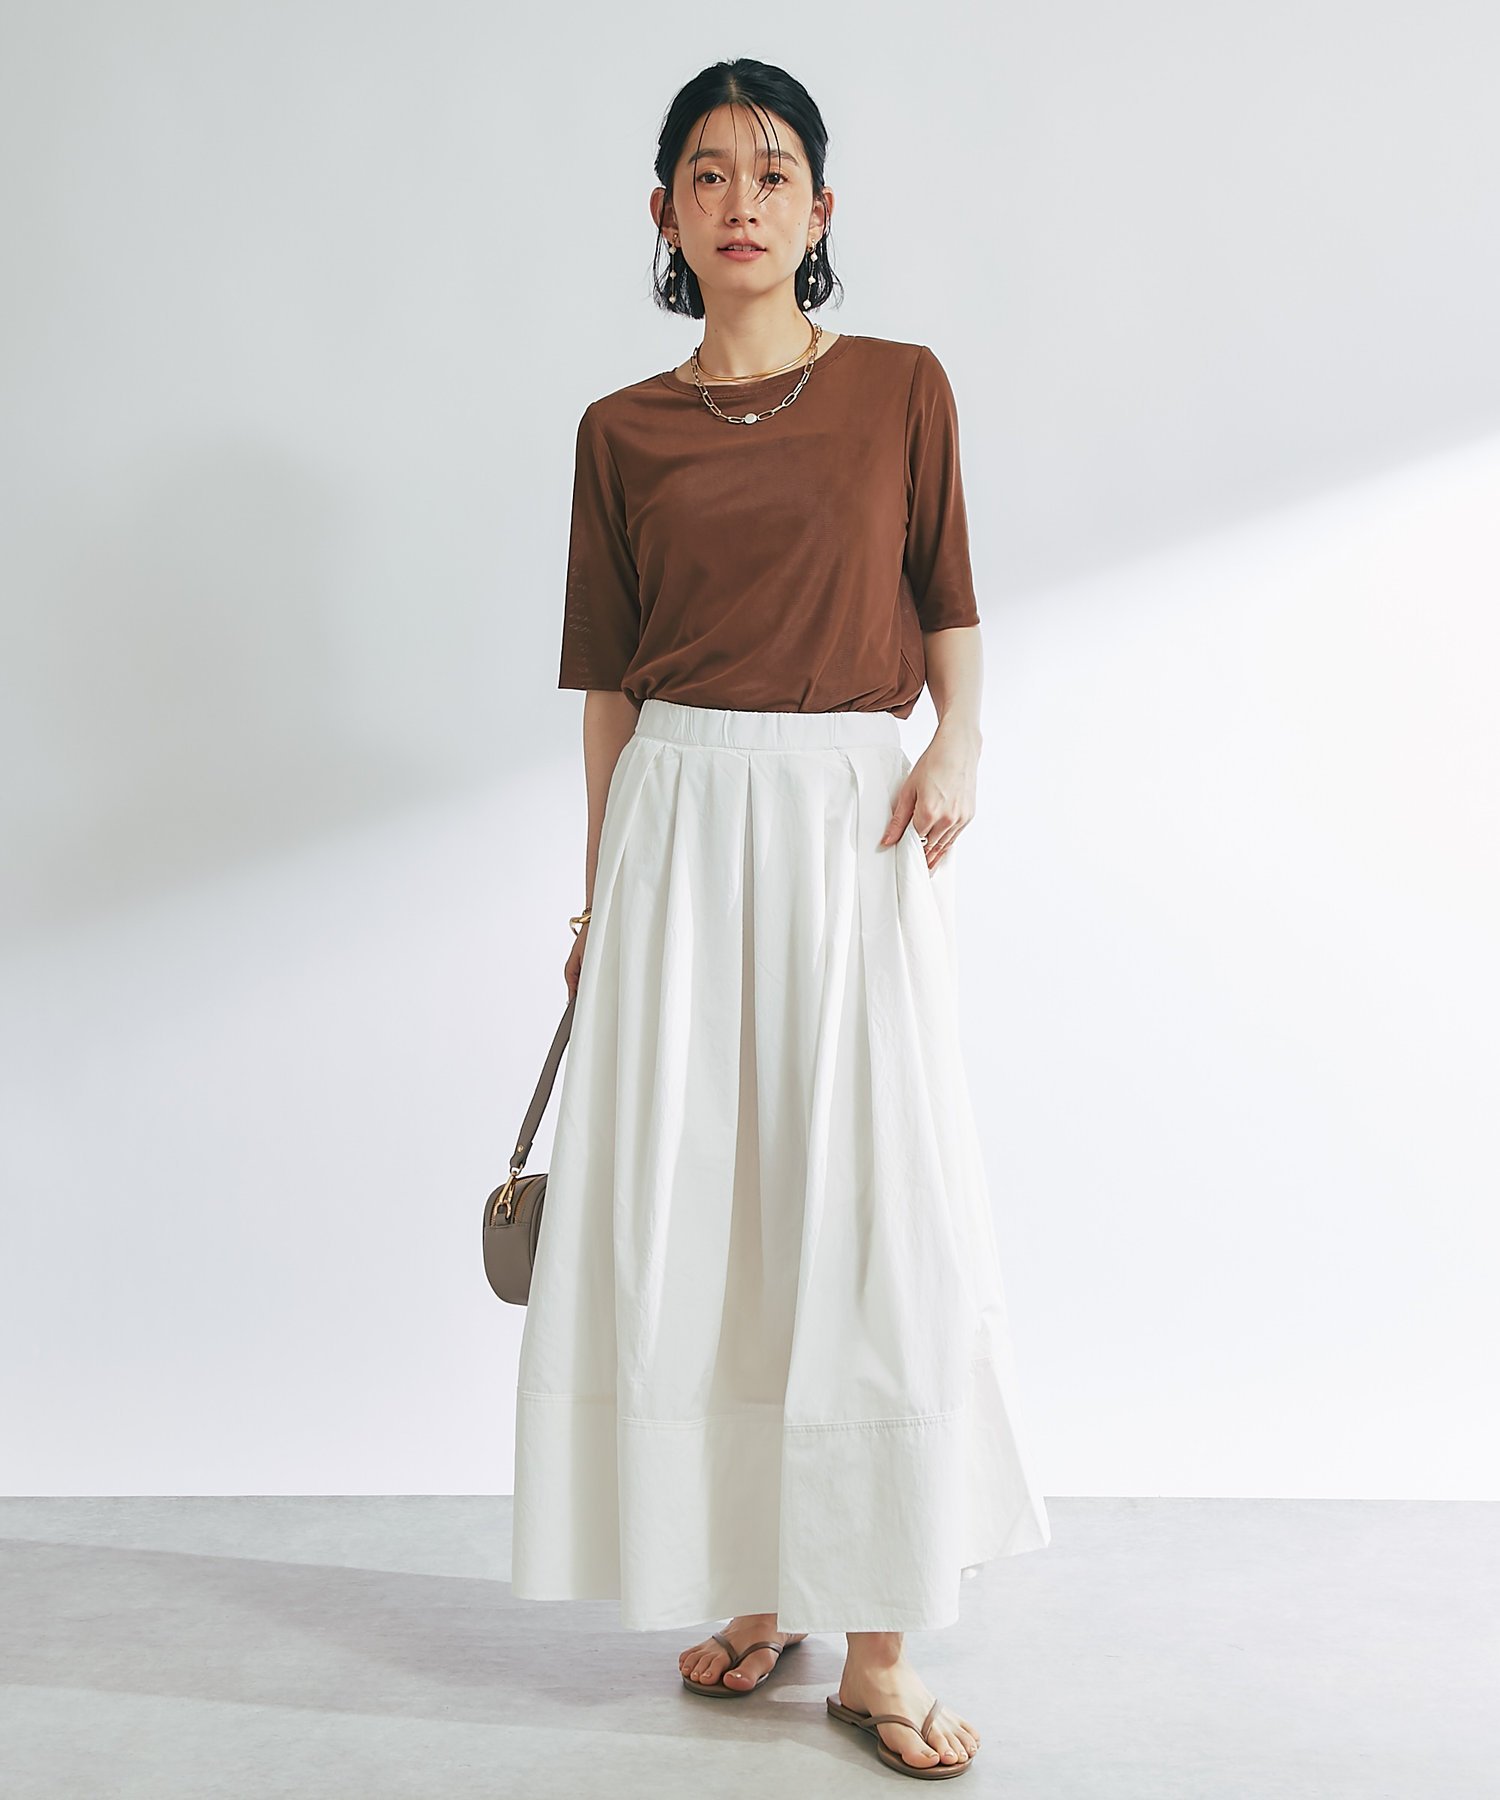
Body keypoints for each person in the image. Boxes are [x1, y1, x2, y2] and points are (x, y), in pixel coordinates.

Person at [509, 58, 1050, 1780]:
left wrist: (959, 740)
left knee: (870, 1208)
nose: (740, 198)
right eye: (706, 171)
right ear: (663, 213)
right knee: (711, 1217)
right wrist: (598, 896)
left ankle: (878, 1645)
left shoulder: (901, 388)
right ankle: (757, 1587)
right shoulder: (620, 431)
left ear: (822, 209)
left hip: (846, 822)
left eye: (773, 169)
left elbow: (949, 596)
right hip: (677, 826)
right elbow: (608, 686)